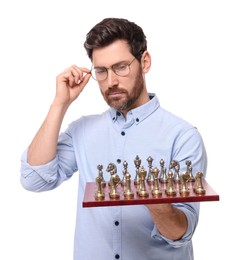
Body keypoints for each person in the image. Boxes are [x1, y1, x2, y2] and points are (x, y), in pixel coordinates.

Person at [20, 17, 207, 260]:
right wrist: (60, 104)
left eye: (121, 67)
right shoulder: (83, 130)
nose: (111, 82)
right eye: (101, 71)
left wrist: (156, 203)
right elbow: (33, 179)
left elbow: (181, 232)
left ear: (145, 62)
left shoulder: (182, 136)